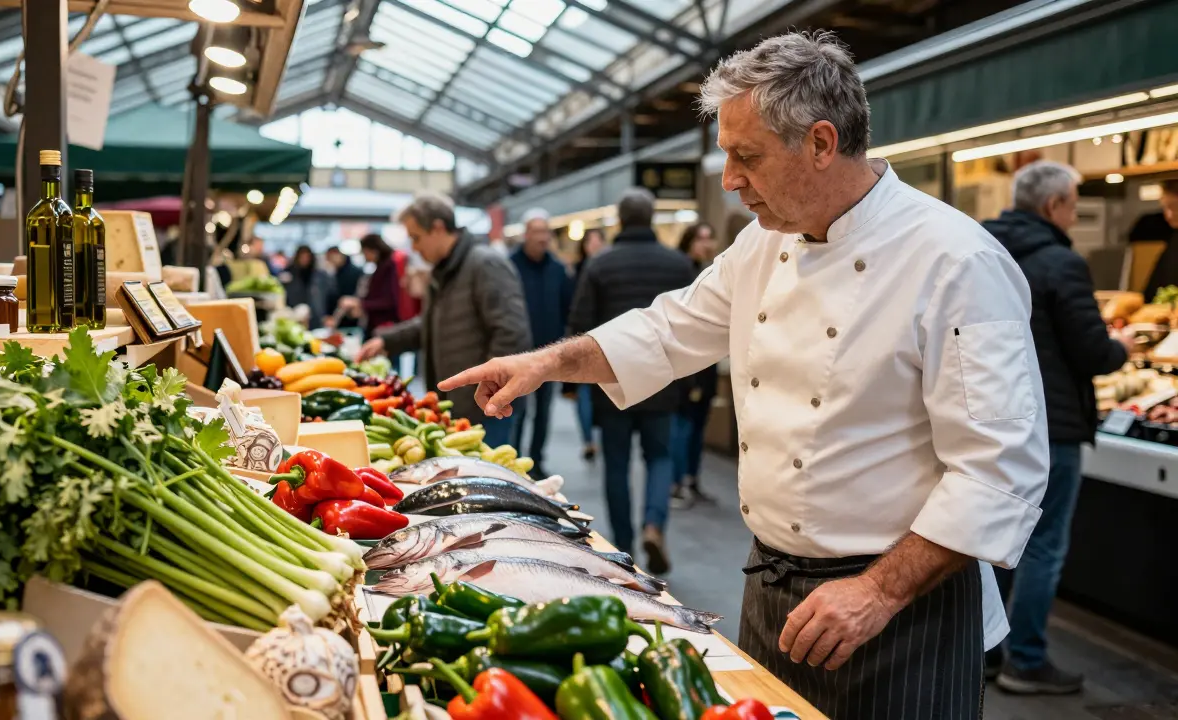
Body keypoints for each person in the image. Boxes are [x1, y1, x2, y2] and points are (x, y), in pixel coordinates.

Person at [439, 31, 1048, 718]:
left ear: (821, 143)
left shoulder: (956, 261)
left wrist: (878, 592)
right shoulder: (762, 243)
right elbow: (668, 330)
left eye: (746, 157)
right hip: (772, 587)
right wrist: (547, 362)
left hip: (902, 609)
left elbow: (998, 468)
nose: (729, 180)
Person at [982, 161, 1131, 694]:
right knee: (1043, 545)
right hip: (1055, 427)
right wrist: (1122, 348)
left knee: (999, 540)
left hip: (999, 419)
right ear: (1053, 206)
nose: (1073, 213)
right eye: (1072, 203)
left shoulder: (985, 249)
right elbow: (1092, 351)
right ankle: (1026, 660)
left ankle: (987, 652)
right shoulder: (1061, 262)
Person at [567, 188, 693, 575]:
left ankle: (623, 544)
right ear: (651, 217)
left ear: (620, 220)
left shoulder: (600, 265)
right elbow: (693, 327)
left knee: (617, 464)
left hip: (614, 381)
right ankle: (654, 524)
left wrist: (574, 381)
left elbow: (580, 324)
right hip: (663, 379)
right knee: (659, 457)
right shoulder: (678, 265)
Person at [356, 192, 531, 445]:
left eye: (416, 238)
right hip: (457, 403)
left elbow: (511, 333)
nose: (414, 248)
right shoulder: (443, 271)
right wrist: (386, 341)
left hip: (487, 408)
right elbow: (429, 323)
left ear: (437, 228)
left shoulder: (485, 264)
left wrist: (490, 391)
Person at [510, 209, 574, 478]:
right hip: (517, 354)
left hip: (549, 354)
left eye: (545, 231)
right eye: (536, 231)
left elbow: (568, 309)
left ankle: (536, 460)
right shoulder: (510, 266)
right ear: (525, 234)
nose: (542, 237)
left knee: (543, 411)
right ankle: (512, 460)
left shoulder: (558, 270)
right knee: (517, 410)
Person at [671, 222, 720, 507]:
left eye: (710, 238)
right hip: (686, 363)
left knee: (697, 426)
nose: (706, 244)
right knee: (683, 426)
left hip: (706, 363)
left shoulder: (709, 270)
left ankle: (691, 479)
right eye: (701, 238)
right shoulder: (682, 271)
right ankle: (677, 483)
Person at [569, 228, 607, 461]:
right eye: (590, 241)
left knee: (605, 394)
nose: (594, 245)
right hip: (584, 342)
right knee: (584, 395)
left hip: (606, 341)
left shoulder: (606, 268)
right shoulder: (576, 271)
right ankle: (588, 440)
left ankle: (599, 439)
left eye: (597, 241)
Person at [339, 234, 401, 337]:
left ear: (373, 250)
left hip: (385, 326)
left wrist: (361, 304)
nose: (364, 257)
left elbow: (389, 300)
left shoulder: (388, 267)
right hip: (377, 325)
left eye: (365, 252)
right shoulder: (381, 267)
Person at [1142, 179, 1178, 301]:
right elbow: (1153, 292)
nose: (1168, 215)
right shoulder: (1174, 240)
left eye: (1174, 207)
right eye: (1165, 208)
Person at [282, 245, 331, 330]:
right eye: (302, 257)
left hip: (316, 315)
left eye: (307, 257)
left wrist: (327, 314)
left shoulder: (319, 274)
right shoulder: (289, 273)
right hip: (295, 313)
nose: (304, 259)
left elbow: (328, 295)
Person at [324, 246, 363, 327]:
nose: (331, 261)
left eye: (331, 258)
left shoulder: (356, 272)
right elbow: (331, 296)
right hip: (338, 318)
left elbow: (360, 293)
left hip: (352, 316)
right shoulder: (333, 274)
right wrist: (328, 314)